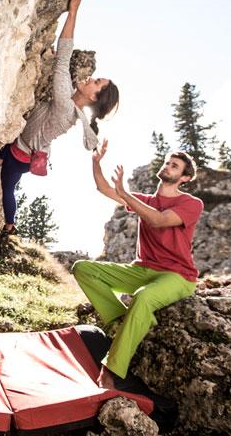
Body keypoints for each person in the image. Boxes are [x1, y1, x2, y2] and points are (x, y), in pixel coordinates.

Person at [72, 142, 203, 390]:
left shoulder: (191, 204)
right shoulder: (145, 200)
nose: (167, 166)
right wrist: (96, 162)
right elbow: (102, 187)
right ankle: (124, 320)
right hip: (142, 270)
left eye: (174, 166)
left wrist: (125, 192)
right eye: (166, 162)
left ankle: (110, 370)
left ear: (184, 177)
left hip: (177, 276)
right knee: (82, 268)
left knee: (143, 298)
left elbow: (159, 219)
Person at [0, 0, 120, 235]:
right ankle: (0, 161)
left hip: (19, 153)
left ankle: (10, 225)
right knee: (9, 174)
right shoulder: (72, 107)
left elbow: (63, 58)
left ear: (93, 97)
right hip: (29, 152)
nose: (92, 78)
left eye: (96, 82)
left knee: (7, 186)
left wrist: (72, 12)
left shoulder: (65, 105)